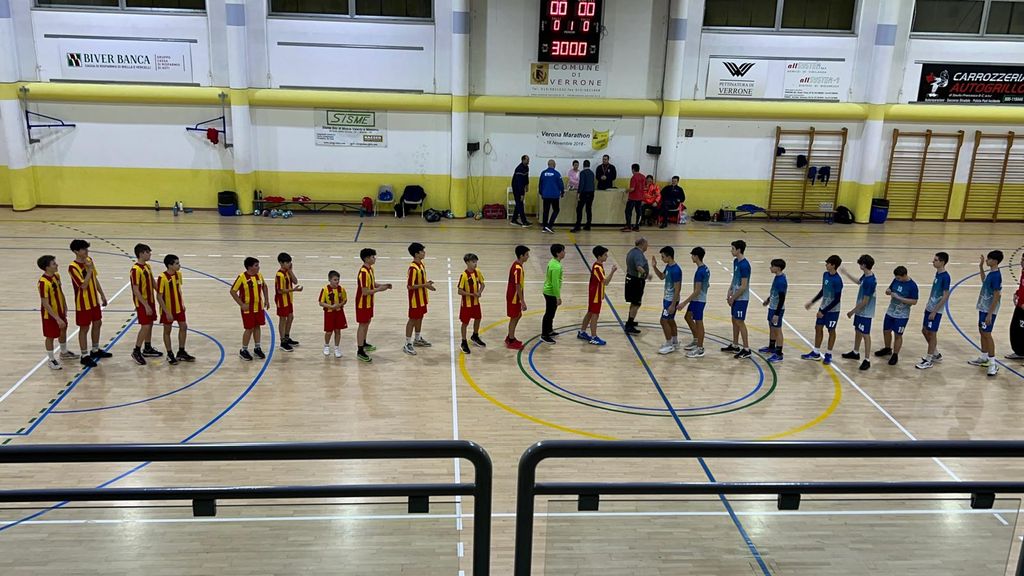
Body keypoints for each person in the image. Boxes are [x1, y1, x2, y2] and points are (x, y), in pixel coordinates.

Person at [68, 239, 110, 368]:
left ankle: (95, 350)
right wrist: (90, 269)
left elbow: (94, 279)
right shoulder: (73, 267)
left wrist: (102, 294)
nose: (87, 251)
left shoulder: (89, 260)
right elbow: (83, 285)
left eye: (87, 248)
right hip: (83, 303)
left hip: (94, 301)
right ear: (76, 251)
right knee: (84, 328)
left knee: (98, 323)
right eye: (84, 249)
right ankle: (84, 355)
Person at [802, 255, 844, 366]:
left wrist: (823, 311)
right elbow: (823, 290)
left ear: (833, 265)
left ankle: (829, 354)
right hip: (823, 307)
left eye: (828, 263)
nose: (826, 265)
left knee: (831, 331)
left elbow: (837, 300)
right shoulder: (825, 275)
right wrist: (812, 302)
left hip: (833, 311)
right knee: (818, 328)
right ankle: (816, 353)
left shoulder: (838, 281)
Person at [875, 266, 919, 366]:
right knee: (886, 331)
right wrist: (888, 291)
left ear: (904, 275)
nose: (897, 279)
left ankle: (895, 355)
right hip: (890, 311)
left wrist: (899, 298)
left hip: (902, 315)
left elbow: (914, 301)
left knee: (898, 335)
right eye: (896, 278)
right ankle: (887, 349)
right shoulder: (896, 280)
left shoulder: (912, 286)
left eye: (899, 278)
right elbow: (889, 288)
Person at [355, 248, 393, 363]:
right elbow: (365, 292)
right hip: (362, 303)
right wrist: (379, 289)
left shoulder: (370, 269)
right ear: (367, 258)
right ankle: (360, 351)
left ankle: (363, 343)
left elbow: (372, 284)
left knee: (367, 322)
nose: (375, 258)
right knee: (362, 324)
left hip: (369, 302)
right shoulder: (363, 272)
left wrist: (383, 285)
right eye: (373, 257)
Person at [155, 254, 195, 365]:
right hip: (168, 309)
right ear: (170, 265)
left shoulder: (178, 275)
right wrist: (167, 312)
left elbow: (179, 290)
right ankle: (169, 354)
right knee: (167, 331)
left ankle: (181, 351)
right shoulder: (162, 277)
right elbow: (159, 296)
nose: (179, 265)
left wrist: (182, 304)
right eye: (177, 263)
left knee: (184, 326)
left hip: (179, 308)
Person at [969, 250, 1003, 377]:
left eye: (989, 259)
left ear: (995, 261)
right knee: (982, 331)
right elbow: (984, 281)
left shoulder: (996, 276)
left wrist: (990, 314)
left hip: (989, 310)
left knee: (987, 334)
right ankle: (984, 357)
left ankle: (993, 363)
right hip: (983, 307)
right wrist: (981, 267)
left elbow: (997, 295)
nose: (987, 260)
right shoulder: (991, 273)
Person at [37, 255, 74, 370]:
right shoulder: (43, 282)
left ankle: (64, 352)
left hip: (60, 310)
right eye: (53, 264)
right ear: (47, 267)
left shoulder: (56, 276)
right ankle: (51, 359)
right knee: (50, 336)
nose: (57, 265)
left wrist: (65, 305)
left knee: (63, 329)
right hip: (50, 314)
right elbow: (45, 303)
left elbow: (60, 292)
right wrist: (57, 318)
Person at [840, 255, 877, 371]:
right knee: (858, 330)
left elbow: (865, 301)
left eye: (860, 263)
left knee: (866, 335)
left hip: (865, 312)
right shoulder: (866, 276)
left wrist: (852, 311)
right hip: (860, 311)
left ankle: (867, 360)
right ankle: (855, 352)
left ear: (864, 265)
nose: (859, 265)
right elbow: (858, 282)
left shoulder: (870, 281)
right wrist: (846, 274)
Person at [230, 257, 269, 361]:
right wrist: (241, 304)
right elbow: (233, 291)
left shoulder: (259, 275)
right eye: (256, 265)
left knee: (257, 326)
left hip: (259, 307)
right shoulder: (242, 277)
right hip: (248, 309)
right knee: (249, 328)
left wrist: (267, 300)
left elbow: (265, 287)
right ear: (249, 267)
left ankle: (257, 347)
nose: (258, 267)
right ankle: (243, 350)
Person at [916, 252, 951, 370]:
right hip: (930, 307)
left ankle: (929, 359)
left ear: (942, 262)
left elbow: (945, 295)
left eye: (936, 260)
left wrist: (935, 311)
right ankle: (935, 354)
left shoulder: (946, 277)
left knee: (932, 333)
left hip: (936, 310)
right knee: (924, 330)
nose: (933, 261)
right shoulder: (938, 274)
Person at [129, 243, 162, 366]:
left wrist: (160, 291)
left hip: (150, 300)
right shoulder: (135, 270)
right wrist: (145, 305)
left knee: (150, 323)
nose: (150, 254)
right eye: (148, 252)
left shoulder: (147, 266)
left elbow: (152, 281)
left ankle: (147, 348)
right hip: (143, 303)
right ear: (141, 253)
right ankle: (136, 350)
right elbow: (135, 289)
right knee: (145, 326)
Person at [578, 245, 617, 346]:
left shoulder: (599, 265)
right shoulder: (597, 267)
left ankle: (582, 332)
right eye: (605, 255)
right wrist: (612, 271)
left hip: (595, 294)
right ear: (599, 256)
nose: (607, 256)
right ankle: (594, 337)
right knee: (595, 315)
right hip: (595, 295)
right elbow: (605, 282)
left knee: (590, 312)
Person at [404, 242, 435, 356]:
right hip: (415, 300)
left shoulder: (421, 264)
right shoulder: (413, 268)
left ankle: (417, 339)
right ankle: (407, 343)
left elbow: (420, 282)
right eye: (422, 251)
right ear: (416, 254)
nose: (424, 253)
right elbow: (410, 286)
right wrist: (425, 285)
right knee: (412, 319)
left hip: (422, 298)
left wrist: (427, 285)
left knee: (420, 317)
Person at [651, 246, 683, 354]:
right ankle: (674, 342)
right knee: (670, 320)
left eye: (663, 257)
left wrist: (673, 305)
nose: (662, 259)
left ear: (669, 257)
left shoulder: (676, 270)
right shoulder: (668, 266)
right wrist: (654, 267)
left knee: (663, 321)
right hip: (667, 298)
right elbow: (661, 276)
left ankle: (669, 344)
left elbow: (678, 289)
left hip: (671, 300)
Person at [723, 240, 751, 358]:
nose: (731, 251)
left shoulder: (745, 265)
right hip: (735, 296)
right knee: (734, 320)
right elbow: (735, 278)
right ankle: (735, 345)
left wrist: (733, 298)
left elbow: (743, 286)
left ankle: (746, 349)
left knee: (740, 322)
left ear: (739, 250)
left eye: (733, 249)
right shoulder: (736, 262)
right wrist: (730, 290)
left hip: (741, 299)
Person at [679, 247, 709, 358]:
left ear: (696, 256)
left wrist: (684, 303)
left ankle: (700, 348)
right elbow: (707, 284)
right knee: (687, 317)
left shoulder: (700, 272)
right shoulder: (705, 269)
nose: (691, 257)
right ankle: (696, 340)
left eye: (692, 255)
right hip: (697, 299)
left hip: (699, 300)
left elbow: (697, 291)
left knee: (699, 323)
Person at [456, 253, 486, 354]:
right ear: (467, 262)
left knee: (478, 318)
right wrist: (472, 294)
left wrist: (479, 292)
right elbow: (459, 291)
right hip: (466, 304)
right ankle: (463, 342)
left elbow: (482, 284)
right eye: (473, 262)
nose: (475, 264)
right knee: (465, 323)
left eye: (476, 262)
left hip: (476, 303)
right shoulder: (464, 275)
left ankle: (475, 336)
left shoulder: (478, 272)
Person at [759, 259, 788, 363]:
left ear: (778, 268)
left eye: (772, 266)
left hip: (777, 309)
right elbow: (774, 292)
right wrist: (768, 300)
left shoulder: (781, 281)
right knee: (772, 327)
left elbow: (782, 299)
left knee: (777, 330)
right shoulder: (777, 277)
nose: (770, 268)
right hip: (772, 307)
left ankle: (779, 354)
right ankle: (771, 347)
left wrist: (777, 314)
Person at [275, 252, 303, 352]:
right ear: (281, 263)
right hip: (282, 300)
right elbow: (280, 290)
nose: (289, 264)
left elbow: (295, 281)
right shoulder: (279, 275)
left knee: (290, 317)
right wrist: (294, 290)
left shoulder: (287, 272)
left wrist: (291, 271)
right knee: (282, 319)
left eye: (290, 262)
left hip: (288, 299)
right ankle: (282, 342)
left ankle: (287, 337)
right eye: (287, 262)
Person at [506, 245, 531, 350]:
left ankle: (510, 336)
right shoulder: (517, 268)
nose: (528, 257)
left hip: (515, 295)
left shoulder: (518, 265)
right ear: (521, 256)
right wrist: (522, 301)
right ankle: (511, 340)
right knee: (514, 316)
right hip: (514, 297)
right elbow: (517, 285)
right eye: (527, 255)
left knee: (518, 315)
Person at [319, 270, 348, 359]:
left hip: (339, 313)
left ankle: (336, 348)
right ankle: (326, 346)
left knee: (338, 331)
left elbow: (345, 300)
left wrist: (339, 305)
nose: (337, 281)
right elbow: (321, 303)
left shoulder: (341, 289)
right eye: (335, 280)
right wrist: (331, 307)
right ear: (329, 279)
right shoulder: (325, 289)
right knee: (329, 332)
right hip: (329, 314)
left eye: (338, 279)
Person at [623, 237, 649, 335]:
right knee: (636, 303)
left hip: (630, 279)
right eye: (646, 244)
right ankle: (629, 325)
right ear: (642, 244)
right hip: (636, 281)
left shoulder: (631, 252)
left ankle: (630, 320)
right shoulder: (638, 254)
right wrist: (646, 274)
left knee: (633, 302)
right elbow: (639, 267)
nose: (647, 246)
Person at [541, 243, 565, 344]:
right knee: (549, 314)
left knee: (551, 313)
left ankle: (549, 330)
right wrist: (558, 297)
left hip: (549, 291)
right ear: (558, 253)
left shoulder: (554, 262)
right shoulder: (556, 266)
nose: (564, 253)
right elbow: (555, 283)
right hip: (551, 293)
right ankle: (544, 335)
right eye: (563, 251)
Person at [539, 159, 564, 234]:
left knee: (546, 211)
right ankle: (550, 225)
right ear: (554, 165)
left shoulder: (543, 173)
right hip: (554, 195)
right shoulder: (557, 174)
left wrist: (541, 193)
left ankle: (544, 227)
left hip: (546, 195)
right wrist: (562, 192)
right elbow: (561, 184)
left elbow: (540, 184)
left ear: (548, 164)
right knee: (556, 210)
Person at [571, 160, 596, 232]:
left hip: (584, 192)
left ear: (583, 165)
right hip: (591, 192)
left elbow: (582, 183)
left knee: (579, 209)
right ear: (589, 165)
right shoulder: (592, 173)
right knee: (588, 209)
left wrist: (579, 193)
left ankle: (578, 226)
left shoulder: (582, 173)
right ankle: (588, 225)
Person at [1008, 251, 1024, 360]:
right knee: (1015, 329)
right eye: (1021, 259)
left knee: (1021, 330)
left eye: (1023, 260)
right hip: (1020, 305)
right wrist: (1017, 293)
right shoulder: (1023, 271)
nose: (1021, 262)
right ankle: (1019, 351)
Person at [622, 164, 646, 232]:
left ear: (633, 169)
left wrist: (626, 190)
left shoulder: (634, 177)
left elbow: (632, 189)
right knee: (639, 212)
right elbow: (644, 187)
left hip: (633, 198)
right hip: (640, 197)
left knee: (628, 212)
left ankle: (628, 226)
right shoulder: (643, 177)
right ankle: (637, 227)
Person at [510, 155, 531, 227]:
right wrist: (522, 194)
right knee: (520, 204)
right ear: (523, 160)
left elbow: (526, 177)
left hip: (521, 187)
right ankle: (524, 222)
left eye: (529, 160)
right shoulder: (519, 169)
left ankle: (514, 219)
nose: (528, 161)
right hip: (517, 187)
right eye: (527, 160)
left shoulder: (526, 167)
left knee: (518, 203)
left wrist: (527, 185)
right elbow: (519, 183)